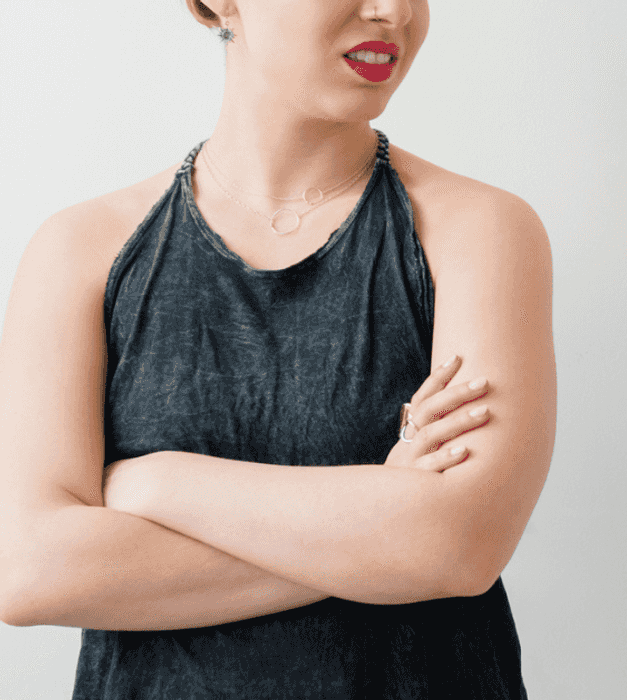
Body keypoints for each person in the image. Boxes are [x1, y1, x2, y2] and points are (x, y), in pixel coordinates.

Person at [0, 1, 554, 698]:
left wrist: (156, 483)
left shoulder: (477, 230)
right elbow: (32, 572)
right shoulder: (81, 249)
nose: (391, 11)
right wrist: (380, 532)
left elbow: (457, 546)